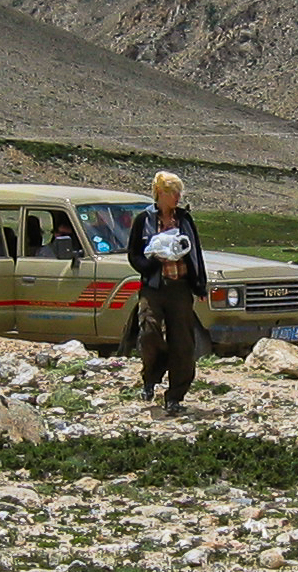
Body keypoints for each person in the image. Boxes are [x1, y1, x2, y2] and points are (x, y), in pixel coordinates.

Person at [125, 171, 208, 415]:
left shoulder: (185, 219)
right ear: (161, 193)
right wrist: (151, 264)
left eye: (179, 193)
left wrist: (199, 285)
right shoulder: (144, 220)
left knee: (182, 342)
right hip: (154, 286)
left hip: (180, 286)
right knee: (149, 331)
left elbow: (195, 253)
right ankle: (151, 375)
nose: (178, 197)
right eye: (174, 192)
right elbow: (134, 254)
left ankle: (175, 395)